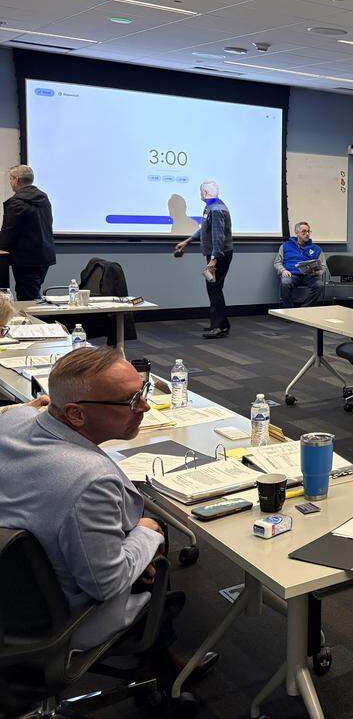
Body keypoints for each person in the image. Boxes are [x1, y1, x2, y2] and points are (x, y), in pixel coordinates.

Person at [0, 349, 162, 650]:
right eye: (130, 401)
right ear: (75, 414)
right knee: (156, 532)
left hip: (13, 588)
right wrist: (146, 533)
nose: (145, 406)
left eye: (142, 391)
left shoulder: (12, 420)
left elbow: (26, 413)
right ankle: (158, 660)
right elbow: (106, 584)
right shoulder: (93, 481)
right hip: (59, 620)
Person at [174, 180, 232, 339]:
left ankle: (219, 327)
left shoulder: (216, 210)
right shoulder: (211, 206)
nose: (200, 194)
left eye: (201, 192)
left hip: (219, 254)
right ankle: (220, 324)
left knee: (214, 289)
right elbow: (205, 229)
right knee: (214, 289)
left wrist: (213, 260)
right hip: (216, 253)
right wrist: (188, 241)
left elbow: (218, 237)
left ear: (206, 193)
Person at [0, 164, 56, 300]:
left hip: (26, 259)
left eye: (11, 179)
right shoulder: (43, 198)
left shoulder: (17, 203)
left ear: (17, 180)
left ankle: (32, 321)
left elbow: (8, 233)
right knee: (32, 293)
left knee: (27, 298)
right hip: (43, 256)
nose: (10, 182)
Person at [273, 221, 324, 308]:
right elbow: (277, 262)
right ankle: (289, 311)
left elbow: (323, 266)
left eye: (308, 231)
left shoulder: (316, 249)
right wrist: (283, 270)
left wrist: (316, 272)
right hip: (291, 274)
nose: (307, 234)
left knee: (319, 285)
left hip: (309, 276)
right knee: (285, 283)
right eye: (304, 231)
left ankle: (304, 309)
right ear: (297, 233)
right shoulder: (286, 246)